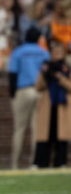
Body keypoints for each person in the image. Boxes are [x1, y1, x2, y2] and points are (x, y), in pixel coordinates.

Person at [8, 27, 49, 170]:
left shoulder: (18, 52)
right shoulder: (43, 53)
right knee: (36, 129)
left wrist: (12, 95)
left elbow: (12, 75)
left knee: (19, 128)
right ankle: (34, 163)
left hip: (22, 90)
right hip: (39, 91)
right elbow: (47, 73)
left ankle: (15, 164)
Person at [33, 39, 70, 168]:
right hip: (48, 105)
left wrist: (60, 78)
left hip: (62, 105)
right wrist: (46, 74)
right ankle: (40, 162)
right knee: (45, 135)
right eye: (55, 52)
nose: (57, 54)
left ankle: (60, 162)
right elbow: (38, 87)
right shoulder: (46, 67)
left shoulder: (67, 68)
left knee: (61, 135)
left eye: (60, 52)